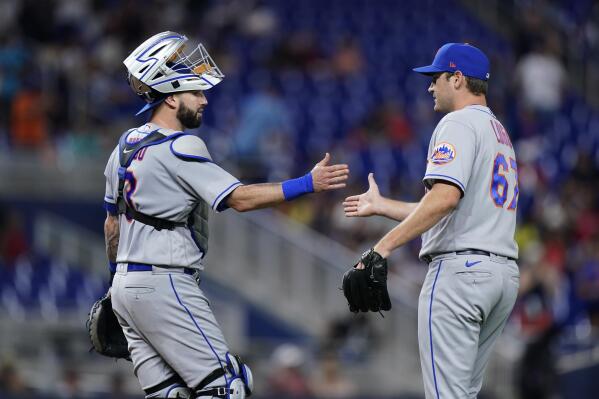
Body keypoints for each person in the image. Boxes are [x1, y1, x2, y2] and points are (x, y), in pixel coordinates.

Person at [103, 31, 349, 399]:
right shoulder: (182, 145)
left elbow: (111, 227)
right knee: (226, 386)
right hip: (165, 280)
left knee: (170, 395)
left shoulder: (123, 147)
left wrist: (118, 286)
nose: (204, 100)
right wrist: (306, 183)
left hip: (125, 286)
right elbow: (239, 198)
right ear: (170, 98)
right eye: (195, 92)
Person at [343, 43, 520, 398]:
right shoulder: (498, 132)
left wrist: (381, 248)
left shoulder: (457, 122)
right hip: (501, 277)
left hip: (460, 276)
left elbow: (444, 199)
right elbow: (448, 207)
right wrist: (382, 205)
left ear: (457, 79)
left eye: (435, 78)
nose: (429, 87)